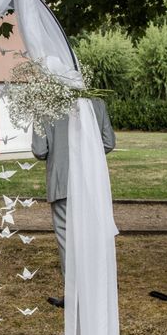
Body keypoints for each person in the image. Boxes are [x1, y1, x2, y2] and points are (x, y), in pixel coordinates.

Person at [31, 98, 116, 308]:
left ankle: (76, 297)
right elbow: (109, 142)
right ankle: (95, 292)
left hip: (63, 183)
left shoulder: (44, 104)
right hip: (91, 184)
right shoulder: (97, 103)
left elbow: (40, 150)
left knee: (67, 243)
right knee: (92, 238)